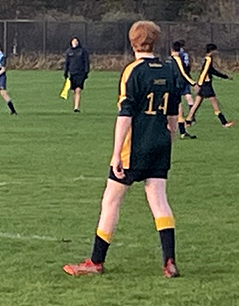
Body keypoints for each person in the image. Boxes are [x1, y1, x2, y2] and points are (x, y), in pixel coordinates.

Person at [64, 20, 181, 278]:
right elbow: (174, 114)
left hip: (134, 148)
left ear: (132, 42)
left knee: (111, 200)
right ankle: (169, 260)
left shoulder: (133, 71)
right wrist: (168, 141)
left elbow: (125, 114)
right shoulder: (169, 69)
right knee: (160, 202)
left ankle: (95, 261)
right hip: (160, 144)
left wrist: (116, 153)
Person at [187, 43, 235, 127]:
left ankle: (187, 122)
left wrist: (225, 76)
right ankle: (224, 123)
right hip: (206, 85)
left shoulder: (207, 59)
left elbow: (211, 71)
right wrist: (199, 84)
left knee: (196, 104)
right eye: (215, 50)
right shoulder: (208, 59)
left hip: (203, 84)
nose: (216, 52)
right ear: (212, 51)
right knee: (215, 104)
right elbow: (205, 72)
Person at [169, 40, 198, 139]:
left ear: (171, 49)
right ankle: (180, 131)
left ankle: (182, 132)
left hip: (170, 85)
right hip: (176, 85)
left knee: (178, 108)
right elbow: (183, 72)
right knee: (177, 109)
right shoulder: (177, 58)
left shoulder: (168, 59)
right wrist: (193, 83)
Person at [62, 37, 90, 112]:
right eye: (73, 41)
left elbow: (86, 61)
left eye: (76, 41)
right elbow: (67, 63)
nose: (75, 43)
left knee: (78, 90)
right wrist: (65, 72)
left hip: (81, 73)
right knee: (74, 91)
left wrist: (86, 72)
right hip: (72, 73)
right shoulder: (69, 51)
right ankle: (75, 105)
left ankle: (76, 107)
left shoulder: (83, 51)